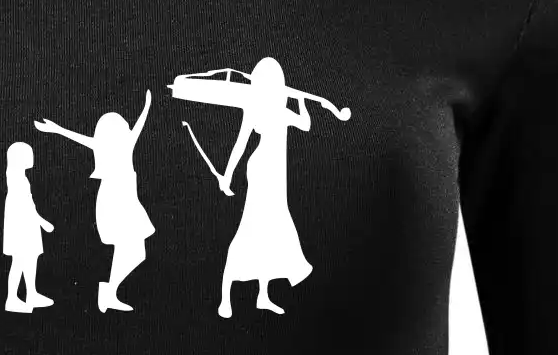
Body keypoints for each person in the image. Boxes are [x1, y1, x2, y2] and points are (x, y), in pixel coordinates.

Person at [175, 56, 346, 317]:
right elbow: (241, 144)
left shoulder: (282, 108)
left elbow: (305, 124)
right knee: (252, 227)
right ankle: (225, 298)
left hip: (277, 174)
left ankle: (263, 296)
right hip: (261, 169)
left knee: (271, 231)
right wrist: (228, 175)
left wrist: (300, 99)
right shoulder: (255, 108)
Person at [33, 91, 154, 311]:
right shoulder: (117, 146)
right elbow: (138, 126)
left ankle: (109, 291)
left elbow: (137, 126)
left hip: (126, 203)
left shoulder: (119, 146)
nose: (128, 127)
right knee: (131, 250)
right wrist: (146, 105)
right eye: (124, 125)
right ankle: (109, 292)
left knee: (137, 253)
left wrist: (147, 105)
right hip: (117, 203)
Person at [0, 142, 54, 312]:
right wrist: (42, 222)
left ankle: (31, 294)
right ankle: (12, 299)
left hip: (27, 224)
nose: (31, 157)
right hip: (21, 225)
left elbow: (29, 204)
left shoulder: (20, 177)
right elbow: (24, 205)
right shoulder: (16, 178)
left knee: (29, 259)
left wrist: (39, 221)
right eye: (27, 154)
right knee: (19, 261)